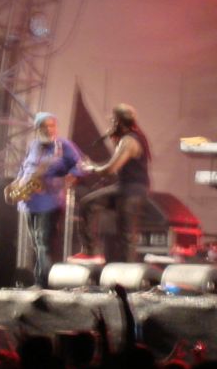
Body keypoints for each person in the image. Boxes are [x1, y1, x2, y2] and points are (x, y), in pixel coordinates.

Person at [8, 112, 86, 287]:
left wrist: (65, 181)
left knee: (44, 243)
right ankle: (39, 281)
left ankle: (44, 283)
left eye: (52, 125)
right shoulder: (33, 145)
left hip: (50, 201)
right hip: (29, 201)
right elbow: (24, 168)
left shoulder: (63, 146)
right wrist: (16, 184)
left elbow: (79, 166)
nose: (49, 129)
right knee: (36, 243)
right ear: (37, 128)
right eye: (45, 126)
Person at [78, 103, 151, 263]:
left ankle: (126, 271)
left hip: (131, 191)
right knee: (87, 205)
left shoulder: (129, 141)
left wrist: (91, 168)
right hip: (125, 188)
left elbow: (111, 168)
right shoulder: (130, 138)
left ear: (118, 121)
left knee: (126, 235)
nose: (111, 123)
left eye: (113, 120)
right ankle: (90, 252)